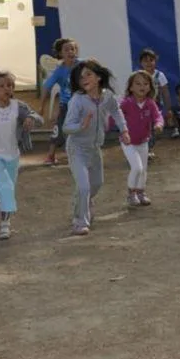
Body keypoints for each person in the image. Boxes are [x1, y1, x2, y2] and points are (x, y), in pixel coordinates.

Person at [63, 59, 130, 235]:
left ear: (99, 77)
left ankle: (83, 201)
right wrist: (81, 126)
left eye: (88, 74)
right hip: (76, 149)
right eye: (80, 77)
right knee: (83, 187)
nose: (83, 79)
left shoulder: (107, 96)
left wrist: (124, 130)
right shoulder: (77, 101)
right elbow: (66, 127)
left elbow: (116, 110)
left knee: (97, 184)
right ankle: (80, 222)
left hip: (95, 149)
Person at [0, 71, 43, 239]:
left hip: (13, 155)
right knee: (7, 187)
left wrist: (31, 119)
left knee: (6, 186)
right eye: (2, 86)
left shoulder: (18, 106)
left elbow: (38, 118)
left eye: (10, 86)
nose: (7, 89)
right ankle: (5, 224)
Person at [119, 71, 164, 207]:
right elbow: (115, 115)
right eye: (137, 84)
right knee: (137, 168)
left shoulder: (150, 103)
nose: (142, 86)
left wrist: (159, 124)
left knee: (143, 169)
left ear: (150, 87)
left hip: (144, 141)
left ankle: (141, 192)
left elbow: (158, 116)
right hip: (128, 142)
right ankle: (131, 194)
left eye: (145, 83)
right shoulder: (126, 103)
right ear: (131, 87)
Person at [40, 38, 81, 166]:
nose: (70, 52)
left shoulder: (83, 66)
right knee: (58, 130)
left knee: (81, 130)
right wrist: (42, 106)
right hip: (66, 105)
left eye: (73, 49)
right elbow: (47, 87)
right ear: (60, 54)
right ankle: (50, 156)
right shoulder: (59, 71)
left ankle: (77, 156)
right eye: (67, 49)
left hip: (82, 105)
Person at [139, 48, 172, 160]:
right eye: (145, 61)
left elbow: (165, 92)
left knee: (152, 129)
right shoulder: (138, 76)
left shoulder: (160, 76)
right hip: (141, 107)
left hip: (155, 107)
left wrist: (167, 109)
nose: (148, 63)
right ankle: (142, 148)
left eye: (151, 60)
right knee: (142, 128)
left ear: (155, 61)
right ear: (141, 63)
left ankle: (149, 149)